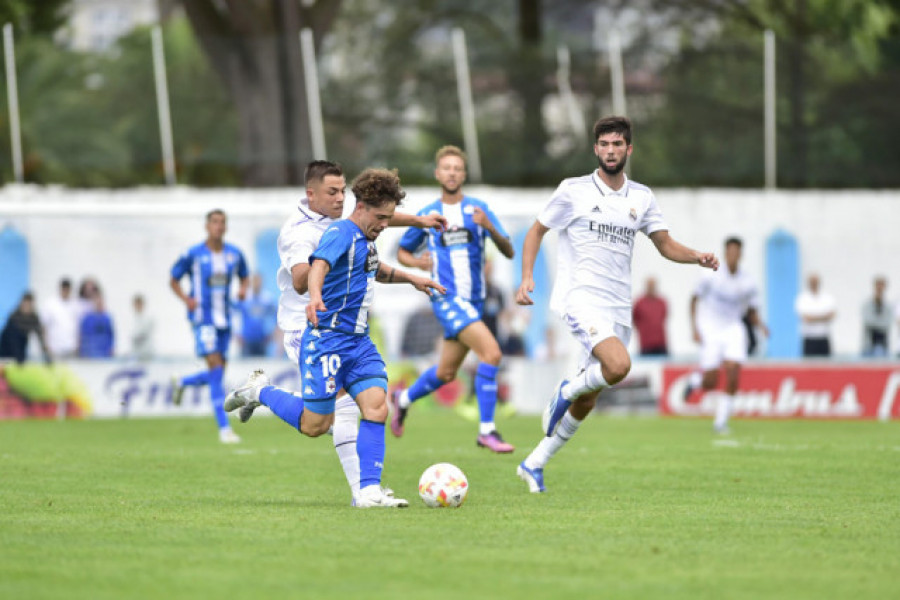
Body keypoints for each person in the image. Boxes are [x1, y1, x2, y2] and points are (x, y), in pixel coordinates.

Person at [514, 116, 719, 493]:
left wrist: (697, 256)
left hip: (617, 306)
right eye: (604, 144)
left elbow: (664, 243)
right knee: (618, 365)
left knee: (588, 399)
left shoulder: (641, 197)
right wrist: (526, 277)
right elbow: (536, 230)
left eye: (617, 144)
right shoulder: (573, 190)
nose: (610, 150)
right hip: (581, 297)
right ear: (595, 149)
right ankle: (565, 389)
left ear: (629, 149)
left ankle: (535, 462)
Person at [224, 160, 447, 506]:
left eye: (343, 190)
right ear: (311, 193)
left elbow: (375, 237)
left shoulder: (355, 228)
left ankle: (368, 491)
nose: (340, 198)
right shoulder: (324, 232)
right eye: (333, 192)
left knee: (376, 407)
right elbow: (315, 269)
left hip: (357, 338)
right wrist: (315, 293)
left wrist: (414, 272)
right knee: (318, 423)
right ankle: (260, 391)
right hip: (318, 332)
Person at [390, 145, 516, 453]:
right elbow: (403, 251)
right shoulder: (428, 214)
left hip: (473, 301)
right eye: (446, 167)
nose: (452, 173)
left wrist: (489, 228)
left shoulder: (478, 211)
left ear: (464, 174)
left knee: (446, 372)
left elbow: (509, 249)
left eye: (457, 168)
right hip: (445, 298)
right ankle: (487, 430)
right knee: (492, 354)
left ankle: (402, 399)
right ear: (438, 173)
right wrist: (419, 264)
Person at [170, 209, 249, 444]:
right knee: (215, 367)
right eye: (215, 222)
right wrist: (186, 300)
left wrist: (243, 288)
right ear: (207, 226)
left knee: (217, 373)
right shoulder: (193, 254)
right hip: (203, 319)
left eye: (223, 222)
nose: (219, 226)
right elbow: (173, 278)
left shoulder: (234, 255)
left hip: (224, 319)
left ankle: (183, 382)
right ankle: (224, 429)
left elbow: (244, 275)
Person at [683, 237, 769, 434]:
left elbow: (752, 310)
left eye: (736, 252)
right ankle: (697, 381)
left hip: (733, 328)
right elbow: (694, 299)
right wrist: (694, 328)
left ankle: (720, 422)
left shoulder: (747, 281)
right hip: (711, 328)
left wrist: (761, 326)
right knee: (710, 381)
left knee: (733, 372)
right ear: (725, 253)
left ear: (740, 254)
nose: (732, 255)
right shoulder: (710, 275)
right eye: (729, 251)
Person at [0, 292, 52, 364]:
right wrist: (18, 356)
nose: (27, 307)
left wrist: (46, 355)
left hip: (21, 346)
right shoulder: (14, 316)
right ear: (22, 304)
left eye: (29, 305)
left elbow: (40, 337)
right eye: (25, 304)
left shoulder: (34, 318)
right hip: (7, 348)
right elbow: (10, 338)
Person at [235, 273, 277, 357]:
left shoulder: (267, 299)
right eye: (254, 281)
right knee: (246, 367)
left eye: (258, 281)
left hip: (262, 340)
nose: (256, 284)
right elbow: (234, 314)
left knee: (261, 368)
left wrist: (272, 334)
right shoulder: (245, 298)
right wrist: (236, 334)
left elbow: (276, 316)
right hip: (246, 340)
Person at [795, 273, 836, 357]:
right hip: (809, 338)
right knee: (809, 366)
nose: (814, 283)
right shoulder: (803, 298)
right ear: (808, 283)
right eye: (812, 282)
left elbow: (832, 315)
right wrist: (824, 317)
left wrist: (814, 318)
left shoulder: (827, 297)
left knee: (826, 366)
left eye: (815, 281)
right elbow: (806, 319)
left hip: (823, 337)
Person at [40, 278, 80, 359]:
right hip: (55, 349)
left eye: (68, 290)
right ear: (60, 289)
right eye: (64, 289)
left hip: (71, 348)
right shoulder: (50, 304)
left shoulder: (75, 304)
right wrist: (46, 346)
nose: (66, 292)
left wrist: (78, 346)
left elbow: (78, 327)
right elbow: (44, 326)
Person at [632, 276, 668, 356]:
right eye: (649, 285)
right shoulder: (639, 303)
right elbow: (634, 319)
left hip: (661, 344)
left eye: (653, 285)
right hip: (646, 345)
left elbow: (664, 317)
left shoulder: (662, 302)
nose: (651, 288)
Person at [861, 276, 891, 357]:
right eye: (878, 285)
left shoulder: (888, 306)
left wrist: (876, 322)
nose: (879, 288)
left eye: (881, 285)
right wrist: (880, 321)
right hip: (868, 344)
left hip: (882, 343)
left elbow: (887, 324)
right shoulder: (867, 304)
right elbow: (867, 321)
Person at [78, 293, 115, 358]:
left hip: (104, 353)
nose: (99, 305)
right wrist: (82, 351)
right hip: (90, 353)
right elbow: (82, 336)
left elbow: (111, 335)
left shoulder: (107, 318)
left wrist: (111, 348)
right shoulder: (87, 319)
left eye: (101, 303)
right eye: (97, 303)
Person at [130, 294, 155, 361]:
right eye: (136, 305)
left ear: (142, 304)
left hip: (147, 352)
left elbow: (145, 334)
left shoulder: (148, 318)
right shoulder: (133, 319)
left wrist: (138, 338)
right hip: (137, 354)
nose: (137, 306)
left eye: (139, 304)